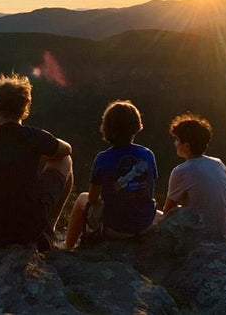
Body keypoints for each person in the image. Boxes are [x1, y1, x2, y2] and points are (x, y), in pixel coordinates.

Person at [0, 73, 73, 251]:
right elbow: (66, 149)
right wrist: (41, 152)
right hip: (25, 232)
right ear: (25, 107)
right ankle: (48, 230)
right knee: (64, 160)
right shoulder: (33, 137)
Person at [64, 100, 158, 249]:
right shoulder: (147, 155)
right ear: (136, 126)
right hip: (145, 225)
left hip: (115, 229)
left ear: (107, 128)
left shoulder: (102, 158)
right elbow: (148, 191)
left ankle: (68, 247)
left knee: (82, 198)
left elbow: (93, 199)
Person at [162, 112, 226, 238]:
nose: (175, 143)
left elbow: (167, 211)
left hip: (202, 236)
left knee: (154, 216)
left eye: (177, 140)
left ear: (187, 146)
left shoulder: (181, 171)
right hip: (224, 232)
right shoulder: (218, 163)